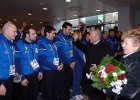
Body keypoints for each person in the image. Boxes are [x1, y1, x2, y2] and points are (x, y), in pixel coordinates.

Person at [73, 29, 113, 100]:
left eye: (91, 36)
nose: (89, 37)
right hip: (89, 76)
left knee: (98, 96)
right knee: (90, 94)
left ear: (97, 37)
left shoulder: (105, 46)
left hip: (99, 76)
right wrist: (76, 40)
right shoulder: (90, 45)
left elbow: (110, 61)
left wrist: (98, 66)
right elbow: (82, 47)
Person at [106, 29, 140, 100]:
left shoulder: (137, 63)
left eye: (126, 43)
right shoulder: (126, 58)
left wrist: (110, 89)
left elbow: (130, 90)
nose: (123, 45)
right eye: (123, 42)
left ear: (137, 45)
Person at [15, 26, 43, 100]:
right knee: (24, 96)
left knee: (34, 94)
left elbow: (38, 59)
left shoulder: (36, 44)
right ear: (27, 35)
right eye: (33, 34)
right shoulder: (19, 45)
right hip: (25, 75)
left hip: (35, 74)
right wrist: (22, 77)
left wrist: (40, 70)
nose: (36, 35)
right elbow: (16, 63)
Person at [39, 25, 63, 100]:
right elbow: (43, 61)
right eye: (53, 33)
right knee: (48, 92)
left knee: (55, 90)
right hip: (48, 72)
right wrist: (56, 67)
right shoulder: (42, 44)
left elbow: (56, 56)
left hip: (55, 70)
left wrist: (60, 63)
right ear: (47, 33)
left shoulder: (53, 43)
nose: (54, 35)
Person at [55, 22, 76, 100]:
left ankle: (67, 97)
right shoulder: (58, 38)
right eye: (68, 29)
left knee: (67, 83)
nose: (70, 31)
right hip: (63, 64)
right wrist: (69, 62)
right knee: (62, 83)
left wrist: (74, 61)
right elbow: (60, 53)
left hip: (70, 64)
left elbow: (72, 50)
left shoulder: (70, 38)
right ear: (64, 29)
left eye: (71, 29)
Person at [0, 23, 17, 100]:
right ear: (7, 31)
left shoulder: (10, 43)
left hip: (10, 78)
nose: (16, 34)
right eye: (14, 31)